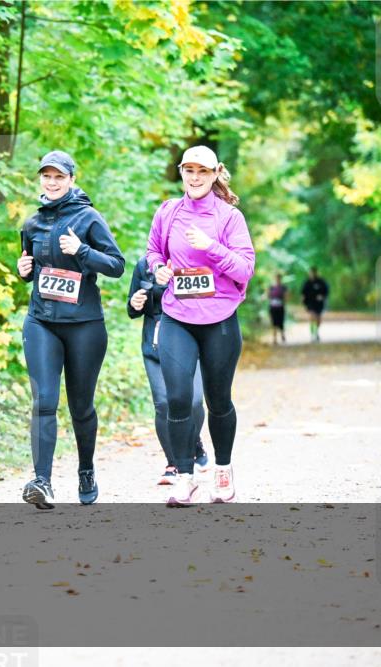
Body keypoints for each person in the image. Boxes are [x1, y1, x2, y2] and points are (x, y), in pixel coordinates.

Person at [146, 145, 255, 506]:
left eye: (202, 172)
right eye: (188, 170)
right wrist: (158, 268)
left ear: (214, 174)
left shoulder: (229, 218)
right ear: (181, 172)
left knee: (218, 400)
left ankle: (222, 470)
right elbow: (153, 252)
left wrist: (211, 247)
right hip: (177, 316)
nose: (194, 177)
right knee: (177, 399)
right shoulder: (168, 212)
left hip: (220, 320)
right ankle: (185, 476)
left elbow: (244, 269)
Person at [17, 150, 125, 509]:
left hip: (83, 326)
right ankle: (42, 481)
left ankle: (86, 469)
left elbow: (116, 265)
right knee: (44, 401)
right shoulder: (31, 224)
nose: (52, 182)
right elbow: (34, 269)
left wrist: (82, 250)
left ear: (71, 180)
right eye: (46, 176)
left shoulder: (89, 218)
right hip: (41, 321)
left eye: (59, 177)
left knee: (81, 407)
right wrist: (23, 269)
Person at [127, 257, 210, 485]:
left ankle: (193, 443)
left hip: (192, 339)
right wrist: (135, 303)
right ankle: (173, 463)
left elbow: (211, 300)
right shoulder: (144, 265)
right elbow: (132, 309)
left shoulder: (194, 258)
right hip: (155, 344)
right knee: (163, 403)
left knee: (193, 402)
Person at [301, 266, 329, 342]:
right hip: (310, 303)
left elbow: (326, 291)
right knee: (312, 317)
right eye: (311, 273)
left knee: (318, 319)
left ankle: (316, 332)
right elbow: (303, 293)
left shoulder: (321, 282)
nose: (312, 274)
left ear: (316, 273)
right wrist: (303, 301)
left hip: (319, 303)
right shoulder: (307, 283)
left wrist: (322, 297)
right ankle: (312, 333)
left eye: (313, 272)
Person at [268, 272, 288, 344]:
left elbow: (286, 296)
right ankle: (275, 338)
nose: (277, 279)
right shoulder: (271, 287)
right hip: (273, 306)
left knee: (281, 321)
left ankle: (282, 335)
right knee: (274, 322)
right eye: (276, 278)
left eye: (278, 278)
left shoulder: (283, 287)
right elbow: (268, 295)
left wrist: (283, 301)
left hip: (280, 306)